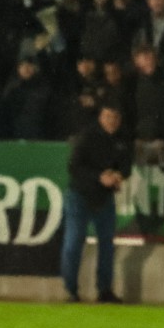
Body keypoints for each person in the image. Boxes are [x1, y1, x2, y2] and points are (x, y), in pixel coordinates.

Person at [60, 103, 133, 304]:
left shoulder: (122, 139)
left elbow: (126, 165)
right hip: (80, 195)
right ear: (101, 117)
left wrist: (118, 175)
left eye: (115, 118)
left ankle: (104, 290)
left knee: (107, 245)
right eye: (108, 117)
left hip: (104, 197)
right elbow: (74, 167)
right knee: (74, 242)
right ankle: (71, 290)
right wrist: (99, 177)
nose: (112, 122)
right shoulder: (87, 136)